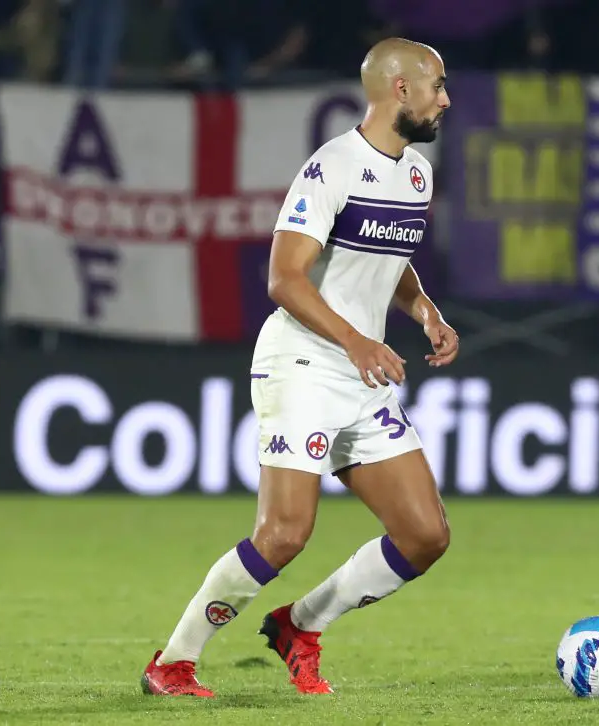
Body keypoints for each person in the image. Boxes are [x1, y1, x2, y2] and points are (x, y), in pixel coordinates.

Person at [141, 37, 456, 698]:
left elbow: (388, 257)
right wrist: (358, 341)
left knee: (425, 535)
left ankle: (300, 626)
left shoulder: (415, 173)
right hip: (307, 361)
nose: (445, 99)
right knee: (284, 533)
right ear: (400, 89)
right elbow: (284, 279)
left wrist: (422, 308)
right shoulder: (332, 166)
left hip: (362, 371)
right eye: (437, 86)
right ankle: (172, 662)